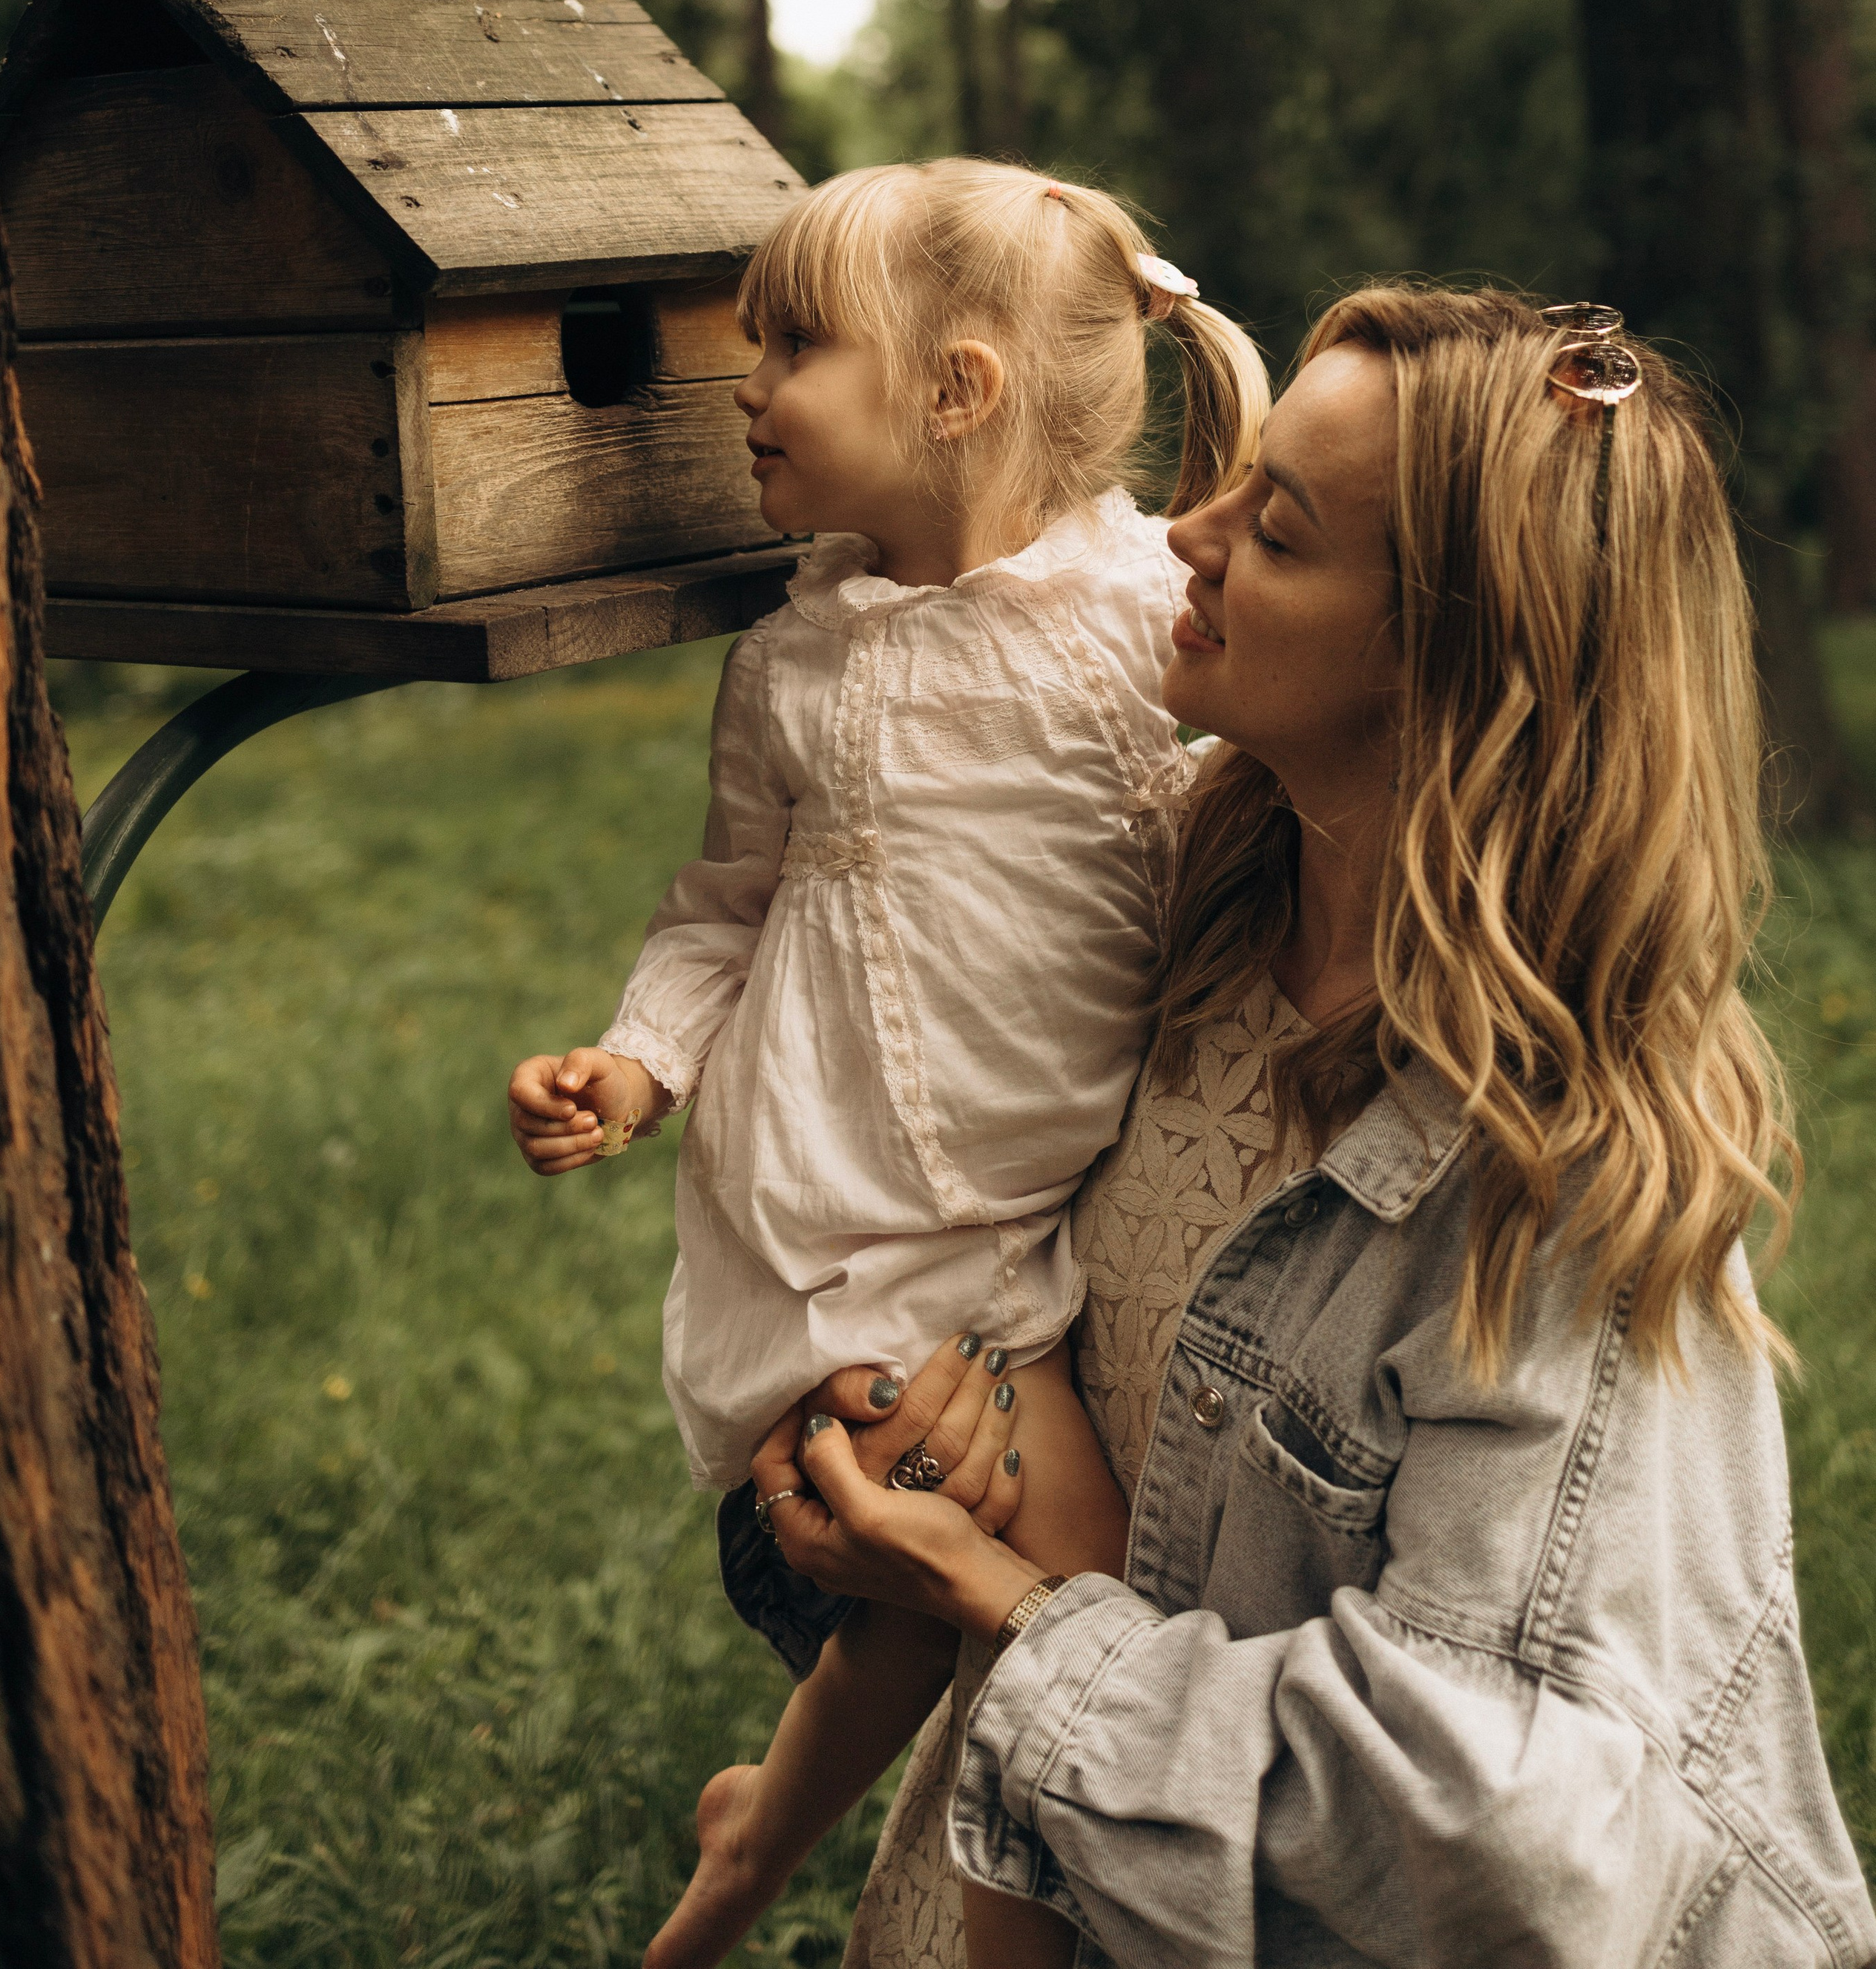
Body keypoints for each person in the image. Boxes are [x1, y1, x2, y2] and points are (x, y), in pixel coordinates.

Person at [749, 283, 1876, 1968]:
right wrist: (895, 1435)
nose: (1183, 535)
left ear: (1451, 665)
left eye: (1275, 531)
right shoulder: (1163, 906)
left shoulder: (1555, 1189)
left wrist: (1009, 1607)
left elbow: (1492, 1835)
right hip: (1018, 1866)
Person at [504, 160, 1271, 1969]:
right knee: (1053, 1586)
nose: (747, 384)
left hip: (1011, 1226)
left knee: (982, 1608)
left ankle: (754, 1840)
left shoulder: (1134, 624)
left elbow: (1221, 844)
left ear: (955, 391)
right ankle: (836, 1885)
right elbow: (722, 907)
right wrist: (637, 1065)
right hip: (820, 1204)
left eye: (795, 347)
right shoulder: (794, 659)